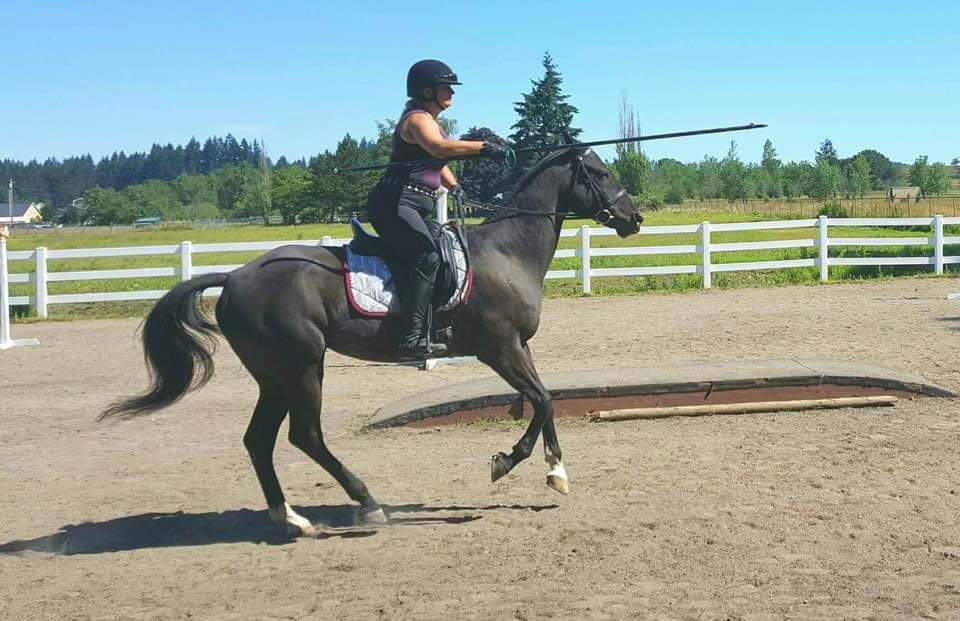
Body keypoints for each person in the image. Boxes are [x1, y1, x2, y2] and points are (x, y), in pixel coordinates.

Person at [366, 59, 510, 359]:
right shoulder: (417, 120)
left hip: (412, 205)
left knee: (446, 250)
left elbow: (438, 162)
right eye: (447, 87)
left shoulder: (432, 122)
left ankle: (439, 322)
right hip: (394, 204)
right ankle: (411, 338)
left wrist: (454, 186)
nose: (452, 93)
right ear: (427, 91)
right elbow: (439, 149)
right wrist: (484, 148)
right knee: (427, 256)